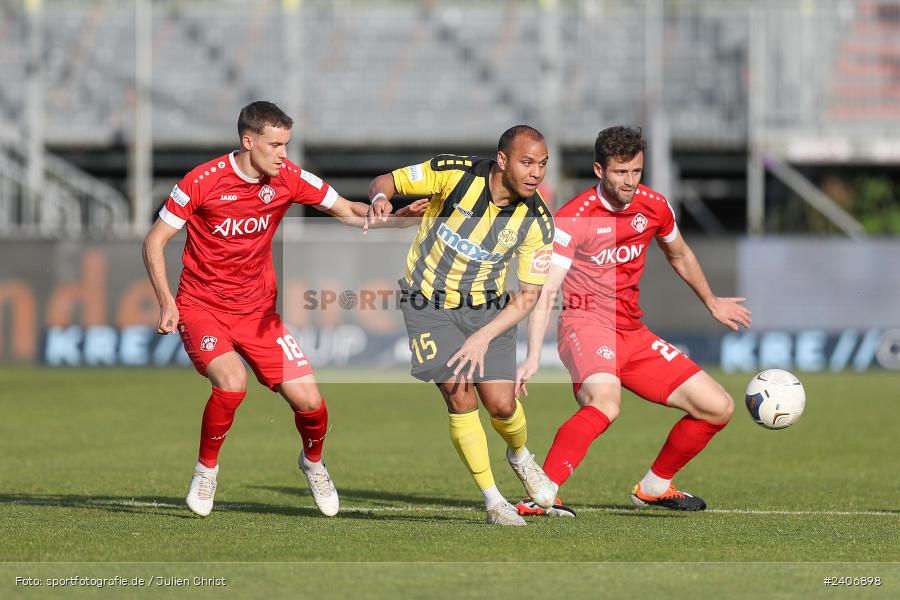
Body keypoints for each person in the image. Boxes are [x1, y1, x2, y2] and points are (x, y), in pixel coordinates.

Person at [142, 101, 417, 518]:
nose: (283, 154)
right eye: (275, 145)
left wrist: (399, 218)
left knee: (310, 403)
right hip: (202, 307)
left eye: (286, 144)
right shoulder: (202, 181)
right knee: (232, 383)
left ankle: (313, 463)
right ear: (248, 141)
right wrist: (166, 301)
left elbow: (346, 210)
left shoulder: (287, 177)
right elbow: (154, 240)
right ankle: (206, 470)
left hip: (259, 314)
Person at [515, 126, 751, 514]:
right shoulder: (573, 217)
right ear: (599, 170)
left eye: (636, 172)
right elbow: (547, 289)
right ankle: (543, 494)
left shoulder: (654, 206)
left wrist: (712, 301)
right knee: (606, 402)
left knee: (717, 406)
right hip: (585, 325)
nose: (629, 182)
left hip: (632, 332)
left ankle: (654, 486)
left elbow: (680, 255)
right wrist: (533, 354)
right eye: (620, 173)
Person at [366, 126, 560, 526]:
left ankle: (521, 455)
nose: (536, 173)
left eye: (542, 165)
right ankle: (494, 502)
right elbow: (385, 181)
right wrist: (382, 198)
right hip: (427, 303)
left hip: (488, 310)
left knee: (502, 405)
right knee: (460, 397)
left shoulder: (537, 220)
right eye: (527, 163)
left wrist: (482, 336)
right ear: (502, 160)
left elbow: (528, 296)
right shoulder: (453, 174)